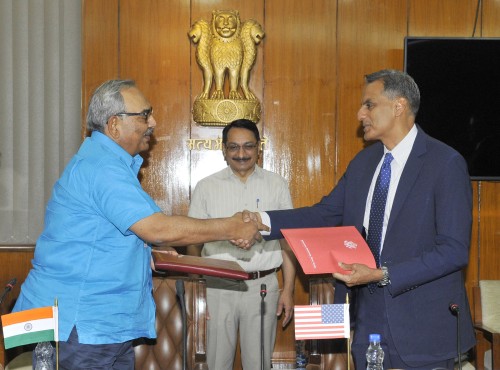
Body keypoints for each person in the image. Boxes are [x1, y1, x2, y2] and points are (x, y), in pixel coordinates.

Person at [13, 80, 265, 370]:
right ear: (114, 125)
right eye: (144, 115)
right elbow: (156, 228)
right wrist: (231, 227)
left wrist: (150, 255)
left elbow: (107, 237)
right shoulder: (101, 168)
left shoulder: (110, 164)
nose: (153, 122)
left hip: (101, 325)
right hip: (81, 324)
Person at [244, 70, 475, 369]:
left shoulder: (445, 163)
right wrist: (262, 221)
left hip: (423, 331)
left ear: (399, 106)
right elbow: (324, 214)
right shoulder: (364, 163)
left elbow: (454, 250)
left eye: (369, 105)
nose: (359, 114)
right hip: (367, 324)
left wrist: (382, 273)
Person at [187, 119, 296, 370]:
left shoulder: (276, 184)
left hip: (263, 287)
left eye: (248, 146)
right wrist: (199, 286)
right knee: (216, 363)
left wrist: (288, 289)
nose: (241, 154)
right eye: (233, 147)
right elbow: (192, 241)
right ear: (224, 150)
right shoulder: (206, 187)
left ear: (259, 148)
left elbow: (287, 240)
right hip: (218, 287)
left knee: (259, 364)